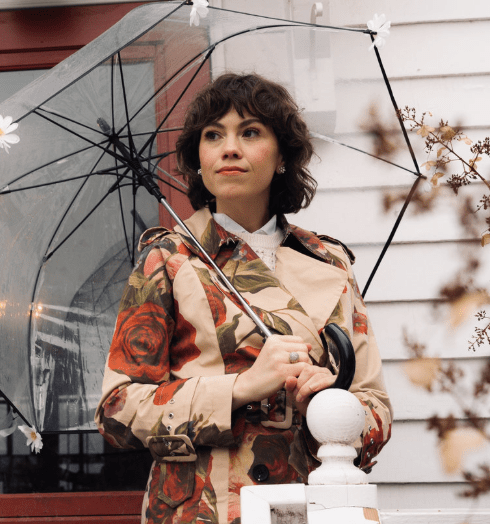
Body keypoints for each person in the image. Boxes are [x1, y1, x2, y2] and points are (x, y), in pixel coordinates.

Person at [96, 73, 391, 524]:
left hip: (311, 507)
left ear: (281, 156)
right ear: (198, 158)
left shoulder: (330, 262)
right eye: (213, 135)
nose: (229, 148)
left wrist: (328, 408)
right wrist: (241, 388)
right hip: (202, 511)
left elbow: (376, 410)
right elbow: (117, 411)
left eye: (250, 132)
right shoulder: (169, 259)